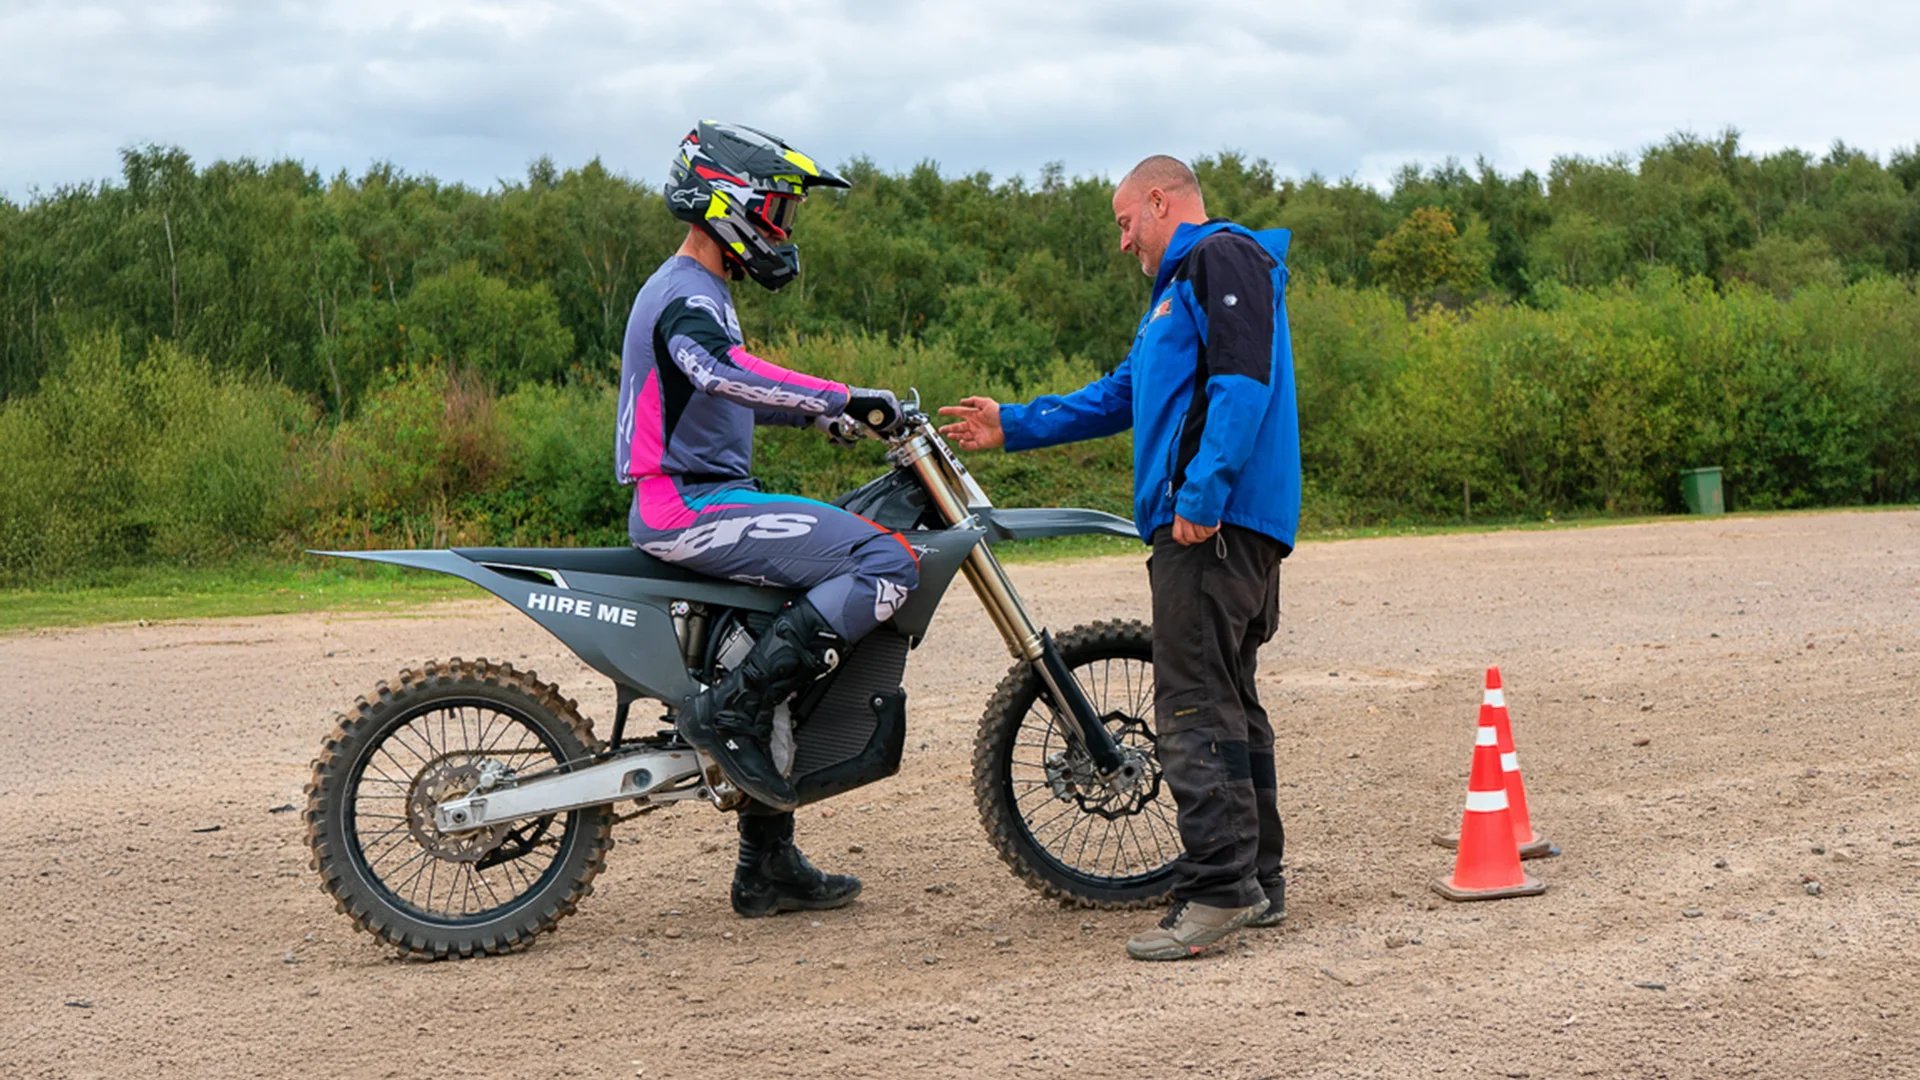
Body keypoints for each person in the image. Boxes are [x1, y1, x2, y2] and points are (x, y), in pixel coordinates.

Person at [938, 155, 1299, 960]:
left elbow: (1244, 384)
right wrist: (1017, 425)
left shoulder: (1218, 257)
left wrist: (1200, 501)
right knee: (1229, 701)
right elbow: (1120, 393)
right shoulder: (1175, 294)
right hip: (1230, 524)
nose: (1122, 240)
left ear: (1161, 201)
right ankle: (1257, 881)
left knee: (1194, 705)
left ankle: (1217, 891)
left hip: (1215, 526)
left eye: (1125, 220)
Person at [616, 120, 916, 917]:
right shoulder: (684, 294)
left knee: (796, 622)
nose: (782, 231)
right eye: (776, 211)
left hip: (702, 497)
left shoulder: (701, 291)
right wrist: (837, 396)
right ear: (728, 203)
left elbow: (718, 393)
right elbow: (715, 371)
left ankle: (768, 864)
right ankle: (733, 712)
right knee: (887, 562)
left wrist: (829, 421)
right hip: (685, 506)